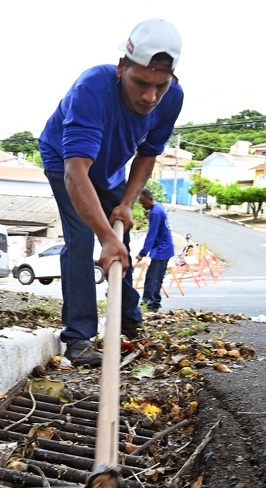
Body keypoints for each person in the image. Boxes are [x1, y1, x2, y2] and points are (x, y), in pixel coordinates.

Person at [39, 18, 184, 369]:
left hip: (111, 170)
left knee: (121, 240)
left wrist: (125, 204)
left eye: (160, 86)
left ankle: (128, 315)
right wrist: (104, 234)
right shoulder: (92, 88)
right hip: (66, 163)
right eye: (140, 82)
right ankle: (78, 337)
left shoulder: (171, 99)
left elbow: (148, 155)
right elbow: (76, 173)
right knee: (82, 239)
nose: (150, 96)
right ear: (122, 68)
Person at [136, 188, 175, 311]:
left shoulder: (155, 213)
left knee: (152, 278)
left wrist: (142, 253)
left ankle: (149, 304)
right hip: (165, 247)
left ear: (151, 199)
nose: (143, 206)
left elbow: (151, 235)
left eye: (144, 203)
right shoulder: (159, 207)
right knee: (156, 277)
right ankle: (155, 303)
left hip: (161, 249)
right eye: (141, 203)